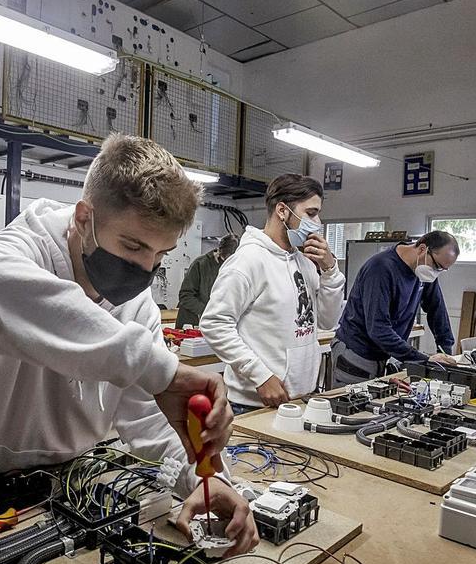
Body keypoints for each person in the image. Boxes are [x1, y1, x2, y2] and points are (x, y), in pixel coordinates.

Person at [0, 134, 257, 555]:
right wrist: (160, 369)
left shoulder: (136, 304)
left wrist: (203, 477)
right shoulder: (27, 249)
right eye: (133, 245)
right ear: (84, 217)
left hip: (60, 497)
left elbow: (146, 413)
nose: (145, 269)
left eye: (161, 255)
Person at [201, 174, 345, 413]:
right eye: (310, 213)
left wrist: (330, 271)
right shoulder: (248, 261)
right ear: (282, 210)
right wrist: (260, 376)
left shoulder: (306, 263)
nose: (317, 222)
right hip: (254, 404)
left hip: (300, 398)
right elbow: (215, 324)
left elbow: (328, 321)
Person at [330, 230, 460, 387]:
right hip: (357, 353)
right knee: (352, 406)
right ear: (422, 249)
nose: (436, 273)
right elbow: (378, 329)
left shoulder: (425, 272)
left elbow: (437, 311)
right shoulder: (380, 269)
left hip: (383, 353)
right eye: (437, 266)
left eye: (442, 270)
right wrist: (423, 358)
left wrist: (445, 352)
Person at [175, 234, 239, 328]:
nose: (229, 263)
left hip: (216, 322)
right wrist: (207, 311)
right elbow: (185, 295)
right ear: (220, 250)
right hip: (191, 323)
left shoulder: (234, 267)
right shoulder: (201, 264)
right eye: (227, 258)